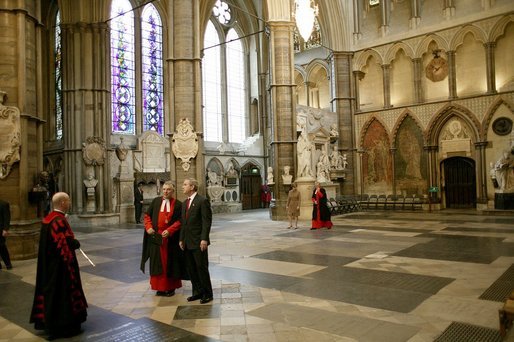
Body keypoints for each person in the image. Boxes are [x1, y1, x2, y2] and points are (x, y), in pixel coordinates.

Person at [30, 192, 87, 339]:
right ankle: (63, 326)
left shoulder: (49, 219)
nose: (69, 203)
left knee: (51, 293)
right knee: (61, 294)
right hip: (60, 267)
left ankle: (49, 324)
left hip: (49, 265)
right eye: (68, 201)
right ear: (62, 203)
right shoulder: (58, 221)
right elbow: (62, 244)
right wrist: (74, 244)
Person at [140, 181, 184, 297]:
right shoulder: (156, 201)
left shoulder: (178, 204)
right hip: (156, 238)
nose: (165, 191)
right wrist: (148, 227)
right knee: (157, 264)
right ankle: (159, 287)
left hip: (170, 239)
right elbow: (147, 216)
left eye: (168, 189)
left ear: (173, 191)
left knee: (169, 264)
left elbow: (180, 221)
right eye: (164, 189)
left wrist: (169, 230)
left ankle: (170, 287)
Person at [179, 178, 213, 304]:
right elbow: (184, 223)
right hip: (187, 242)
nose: (182, 186)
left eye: (185, 184)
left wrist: (204, 238)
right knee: (191, 268)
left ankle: (207, 293)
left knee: (201, 267)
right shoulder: (184, 203)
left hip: (199, 241)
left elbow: (206, 222)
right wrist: (181, 239)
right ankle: (197, 292)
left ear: (192, 187)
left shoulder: (202, 201)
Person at [0, 199, 12, 270]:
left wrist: (5, 229)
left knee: (2, 246)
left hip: (0, 230)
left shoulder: (4, 204)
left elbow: (7, 217)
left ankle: (8, 264)